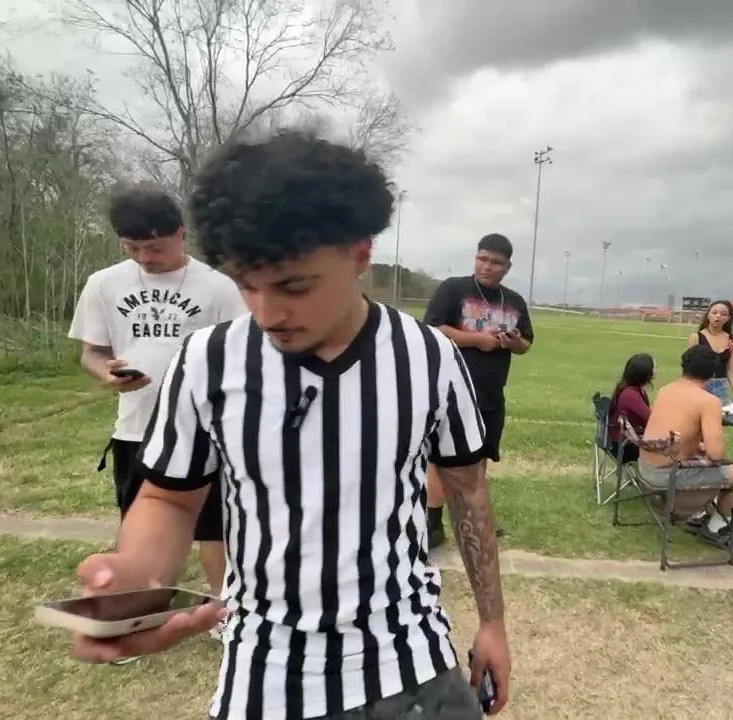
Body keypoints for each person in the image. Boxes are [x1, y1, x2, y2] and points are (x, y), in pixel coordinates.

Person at [66, 130, 511, 720]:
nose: (266, 313)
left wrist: (492, 622)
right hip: (267, 666)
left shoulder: (430, 357)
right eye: (246, 285)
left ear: (359, 254)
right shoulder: (207, 360)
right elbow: (169, 499)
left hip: (412, 656)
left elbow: (467, 490)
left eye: (294, 285)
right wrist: (136, 576)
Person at [67, 181, 248, 655]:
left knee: (213, 524)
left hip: (207, 428)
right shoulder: (104, 284)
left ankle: (224, 612)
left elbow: (241, 351)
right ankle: (136, 614)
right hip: (135, 425)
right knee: (138, 521)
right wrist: (106, 374)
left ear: (180, 234)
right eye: (133, 248)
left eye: (155, 247)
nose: (146, 258)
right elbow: (91, 351)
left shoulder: (218, 287)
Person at [421, 234, 534, 549]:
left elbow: (527, 343)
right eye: (483, 258)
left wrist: (514, 343)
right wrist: (478, 340)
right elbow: (433, 328)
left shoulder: (514, 301)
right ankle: (433, 523)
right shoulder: (454, 289)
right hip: (451, 390)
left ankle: (474, 520)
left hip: (491, 393)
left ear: (507, 267)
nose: (487, 266)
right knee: (441, 459)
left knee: (479, 457)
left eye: (496, 262)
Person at [637, 344, 733, 552]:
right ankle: (717, 528)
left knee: (707, 457)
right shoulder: (709, 401)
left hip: (645, 467)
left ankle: (700, 514)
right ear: (712, 373)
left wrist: (695, 444)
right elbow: (715, 454)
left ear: (684, 366)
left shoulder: (666, 390)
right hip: (666, 477)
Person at [686, 299, 733, 403]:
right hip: (700, 386)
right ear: (708, 315)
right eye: (714, 312)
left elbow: (731, 369)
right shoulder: (696, 337)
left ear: (728, 318)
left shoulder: (731, 340)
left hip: (721, 388)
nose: (718, 316)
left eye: (723, 314)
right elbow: (688, 367)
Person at [606, 353, 655, 463]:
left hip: (621, 441)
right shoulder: (631, 395)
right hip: (625, 447)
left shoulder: (629, 389)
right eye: (654, 367)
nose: (656, 370)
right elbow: (651, 419)